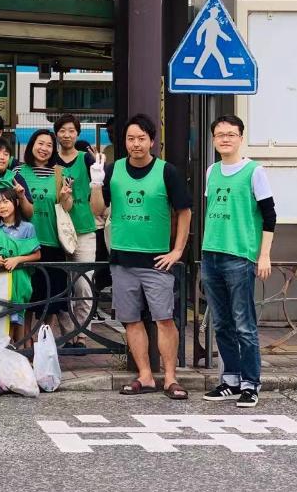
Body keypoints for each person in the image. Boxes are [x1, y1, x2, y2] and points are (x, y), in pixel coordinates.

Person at [89, 113, 192, 400]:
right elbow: (97, 210)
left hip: (157, 260)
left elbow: (184, 210)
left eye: (141, 139)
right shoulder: (113, 170)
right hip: (122, 260)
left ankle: (171, 377)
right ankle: (145, 376)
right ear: (124, 141)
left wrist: (178, 250)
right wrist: (96, 184)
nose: (136, 144)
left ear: (151, 141)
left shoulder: (166, 171)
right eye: (130, 139)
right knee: (131, 320)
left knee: (164, 320)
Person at [201, 114, 276, 408]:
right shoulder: (211, 171)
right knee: (221, 323)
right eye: (220, 134)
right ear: (213, 139)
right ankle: (230, 380)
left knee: (244, 324)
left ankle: (251, 383)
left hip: (240, 255)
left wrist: (264, 254)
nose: (225, 139)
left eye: (231, 134)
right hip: (212, 254)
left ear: (241, 138)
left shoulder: (254, 171)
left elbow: (270, 216)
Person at [14, 129, 75, 338]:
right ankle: (26, 342)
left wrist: (66, 196)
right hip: (25, 244)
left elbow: (67, 207)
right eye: (40, 144)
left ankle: (43, 340)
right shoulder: (19, 172)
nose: (44, 149)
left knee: (50, 300)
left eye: (49, 145)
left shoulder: (60, 173)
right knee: (28, 299)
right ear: (31, 145)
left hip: (52, 243)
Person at [54, 114, 100, 344]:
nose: (67, 134)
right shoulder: (51, 161)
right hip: (57, 231)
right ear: (57, 133)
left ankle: (82, 333)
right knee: (62, 285)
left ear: (78, 133)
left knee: (83, 284)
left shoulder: (87, 160)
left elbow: (100, 186)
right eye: (62, 130)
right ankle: (67, 332)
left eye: (71, 130)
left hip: (83, 229)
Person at [0, 188, 41, 342]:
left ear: (16, 202)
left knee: (18, 317)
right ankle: (4, 355)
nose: (2, 206)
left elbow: (37, 254)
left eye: (6, 201)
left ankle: (19, 353)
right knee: (0, 318)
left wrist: (17, 259)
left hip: (20, 281)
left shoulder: (28, 228)